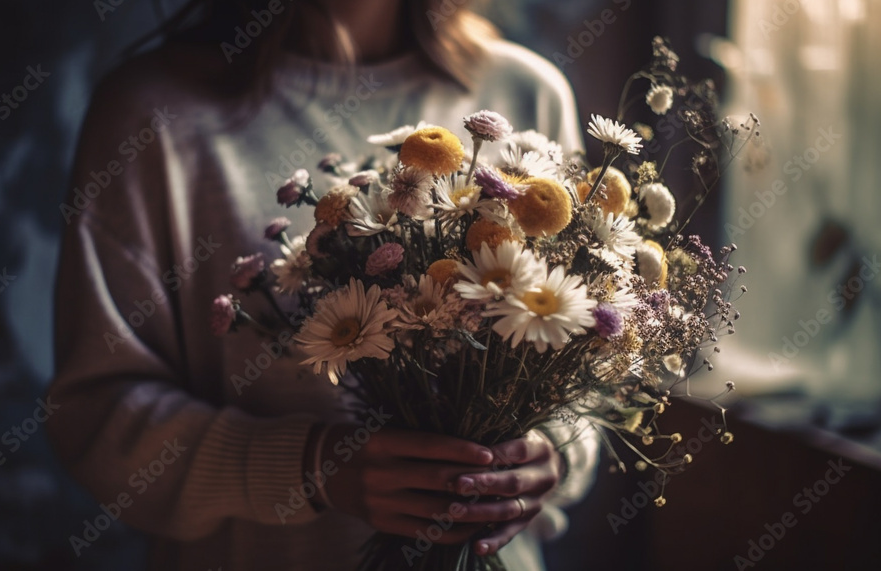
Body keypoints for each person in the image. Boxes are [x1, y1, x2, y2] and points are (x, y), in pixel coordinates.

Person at [47, 1, 599, 569]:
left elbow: (586, 359)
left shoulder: (524, 93)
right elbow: (98, 417)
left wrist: (547, 454)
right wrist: (313, 468)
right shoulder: (153, 115)